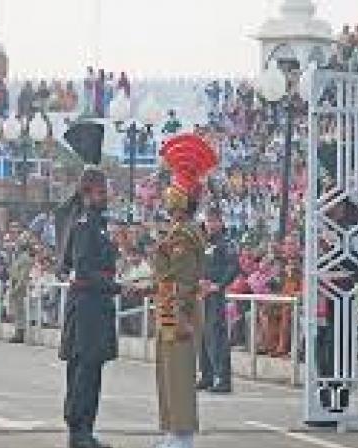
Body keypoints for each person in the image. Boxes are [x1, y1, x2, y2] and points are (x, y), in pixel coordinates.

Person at [150, 134, 218, 448]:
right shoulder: (182, 232)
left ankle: (182, 434)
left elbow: (176, 278)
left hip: (178, 310)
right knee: (168, 374)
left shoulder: (182, 235)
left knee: (178, 375)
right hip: (171, 306)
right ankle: (172, 431)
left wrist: (178, 316)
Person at [56, 121, 118, 448]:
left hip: (94, 309)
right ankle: (78, 432)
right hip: (88, 309)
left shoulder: (96, 223)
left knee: (90, 372)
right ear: (89, 192)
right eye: (102, 191)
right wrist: (116, 286)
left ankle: (84, 431)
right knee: (83, 373)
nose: (107, 196)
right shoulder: (85, 224)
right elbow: (82, 271)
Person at [197, 207, 238, 394]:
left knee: (217, 337)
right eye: (208, 220)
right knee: (204, 336)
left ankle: (223, 379)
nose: (211, 224)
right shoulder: (204, 242)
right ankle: (207, 376)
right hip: (202, 293)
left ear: (221, 222)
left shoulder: (226, 242)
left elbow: (233, 267)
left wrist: (219, 285)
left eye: (214, 220)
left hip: (216, 295)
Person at [8, 240, 34, 343]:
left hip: (20, 286)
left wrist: (16, 288)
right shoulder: (18, 257)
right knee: (16, 310)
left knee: (20, 311)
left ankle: (20, 334)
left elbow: (23, 276)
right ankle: (17, 331)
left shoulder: (25, 259)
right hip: (14, 283)